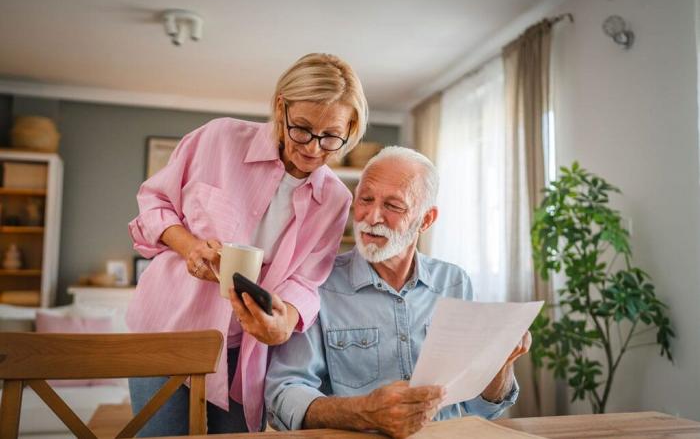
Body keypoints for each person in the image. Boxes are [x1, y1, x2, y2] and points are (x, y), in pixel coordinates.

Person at [126, 53, 368, 436]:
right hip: (167, 332)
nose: (313, 149)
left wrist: (283, 324)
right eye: (301, 129)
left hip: (244, 352)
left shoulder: (335, 199)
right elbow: (154, 203)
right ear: (280, 107)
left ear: (350, 128)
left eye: (331, 137)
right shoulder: (218, 139)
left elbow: (306, 283)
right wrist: (190, 246)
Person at [265, 146, 531, 438]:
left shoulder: (455, 282)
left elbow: (484, 408)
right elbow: (283, 394)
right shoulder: (316, 284)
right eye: (365, 199)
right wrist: (364, 412)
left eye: (393, 206)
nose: (372, 216)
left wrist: (501, 362)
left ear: (426, 220)